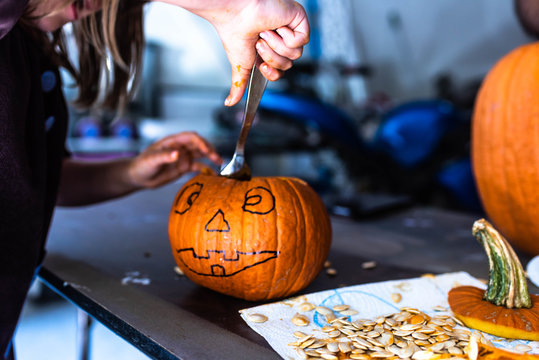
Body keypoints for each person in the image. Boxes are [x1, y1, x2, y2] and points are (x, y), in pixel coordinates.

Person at [0, 0, 310, 358]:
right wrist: (234, 8)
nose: (93, 5)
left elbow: (40, 180)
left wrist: (131, 172)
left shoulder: (31, 50)